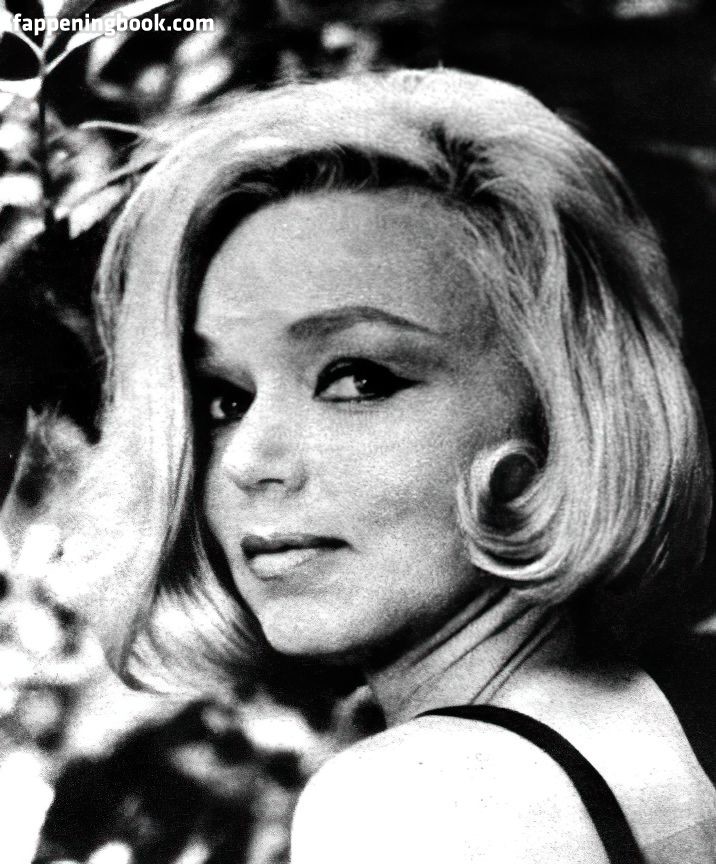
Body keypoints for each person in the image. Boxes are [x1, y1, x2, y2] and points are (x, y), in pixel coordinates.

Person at [41, 69, 716, 862]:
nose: (248, 461)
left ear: (566, 408)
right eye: (224, 398)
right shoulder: (680, 703)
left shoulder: (410, 801)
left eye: (358, 379)